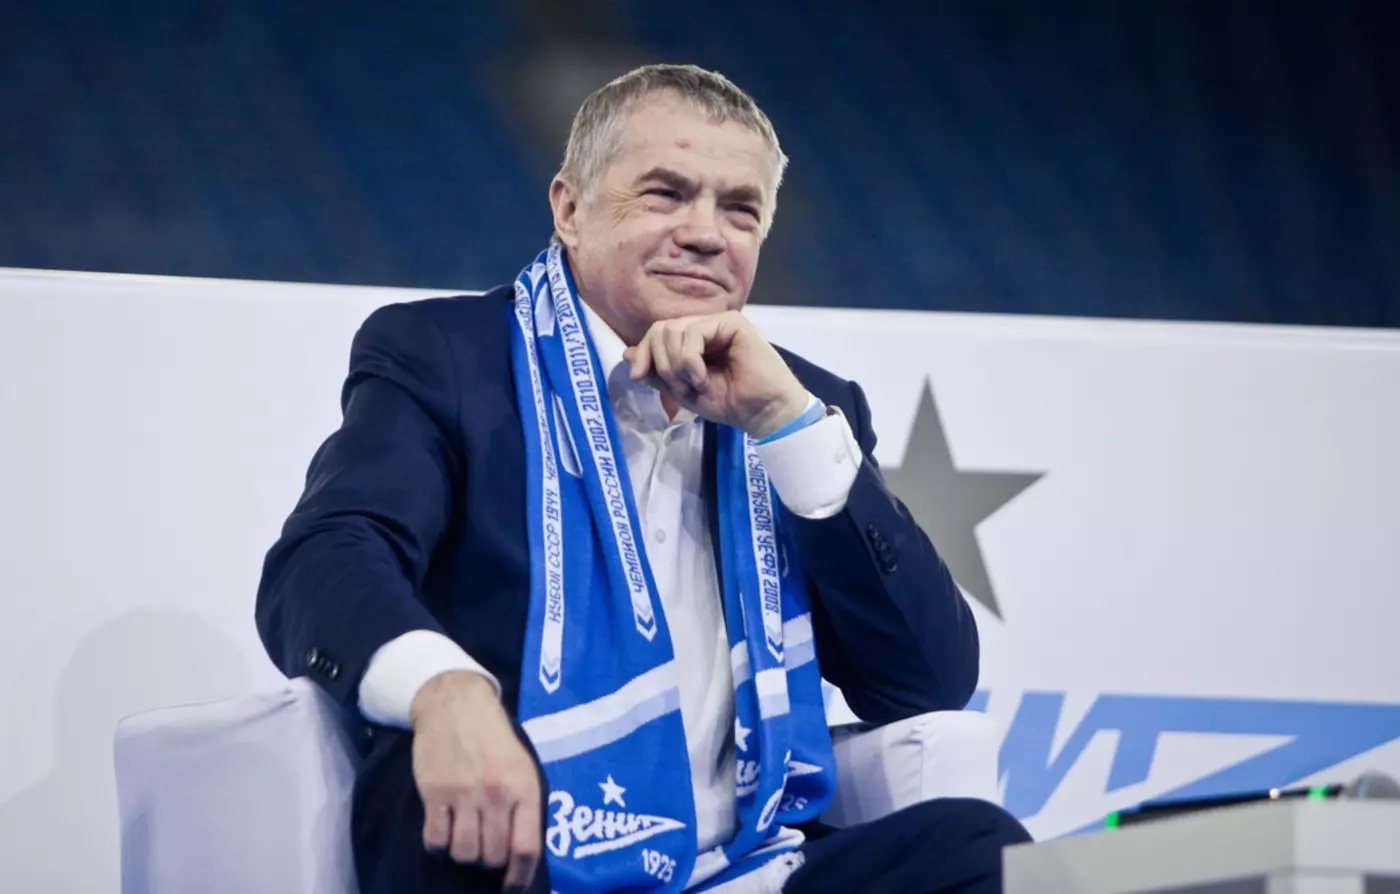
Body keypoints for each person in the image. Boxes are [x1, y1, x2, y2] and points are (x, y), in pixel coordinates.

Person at [255, 63, 1029, 894]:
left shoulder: (803, 402)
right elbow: (329, 554)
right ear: (569, 210)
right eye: (666, 194)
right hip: (533, 852)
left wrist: (787, 427)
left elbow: (924, 682)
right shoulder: (449, 357)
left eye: (740, 209)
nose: (706, 233)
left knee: (981, 849)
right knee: (436, 798)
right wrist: (443, 689)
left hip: (748, 866)